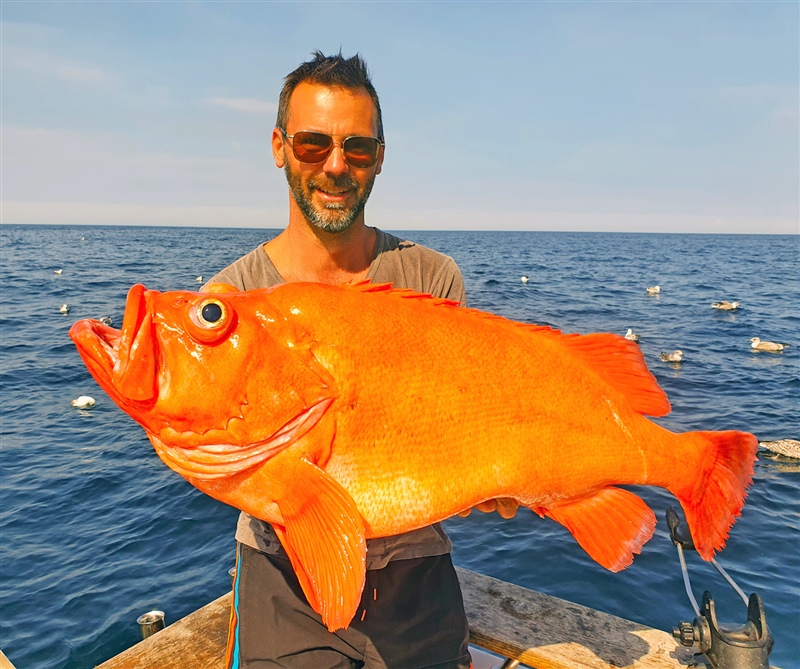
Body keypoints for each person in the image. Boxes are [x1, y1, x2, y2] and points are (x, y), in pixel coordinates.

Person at [206, 51, 472, 669]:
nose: (334, 166)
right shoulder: (232, 300)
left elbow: (464, 435)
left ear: (379, 156)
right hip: (282, 571)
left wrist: (509, 485)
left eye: (356, 148)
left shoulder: (432, 279)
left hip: (417, 568)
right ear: (279, 147)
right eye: (311, 144)